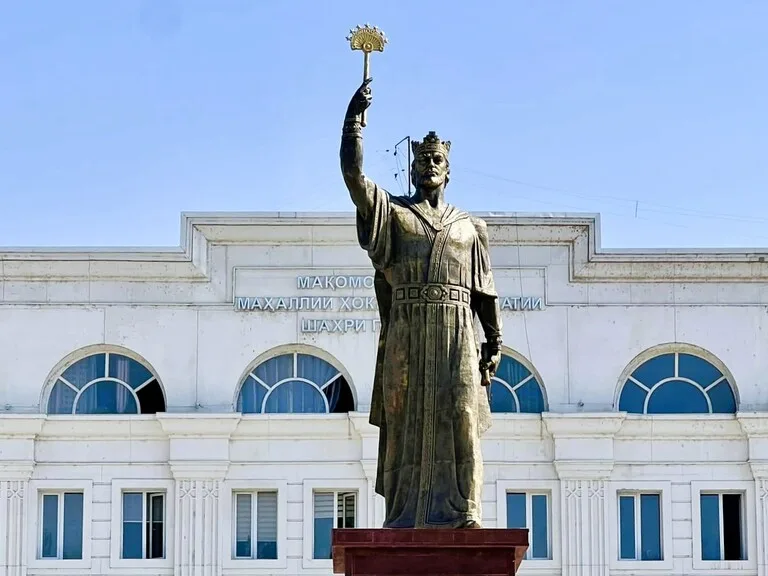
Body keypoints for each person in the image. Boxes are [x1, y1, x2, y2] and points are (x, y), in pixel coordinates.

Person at [340, 77, 503, 528]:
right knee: (405, 424)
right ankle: (403, 514)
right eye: (423, 160)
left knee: (463, 418)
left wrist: (495, 342)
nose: (430, 165)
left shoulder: (472, 228)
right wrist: (354, 122)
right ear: (412, 170)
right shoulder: (393, 215)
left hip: (457, 334)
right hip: (408, 334)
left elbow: (484, 292)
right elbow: (354, 177)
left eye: (438, 160)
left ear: (448, 170)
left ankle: (465, 511)